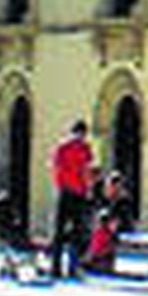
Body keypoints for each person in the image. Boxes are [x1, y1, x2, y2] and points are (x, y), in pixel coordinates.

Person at [48, 118, 95, 279]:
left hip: (64, 192)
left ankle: (55, 267)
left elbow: (55, 168)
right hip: (79, 193)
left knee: (59, 231)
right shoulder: (85, 148)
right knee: (77, 232)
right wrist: (88, 190)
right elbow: (87, 172)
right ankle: (72, 267)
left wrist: (60, 185)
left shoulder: (62, 147)